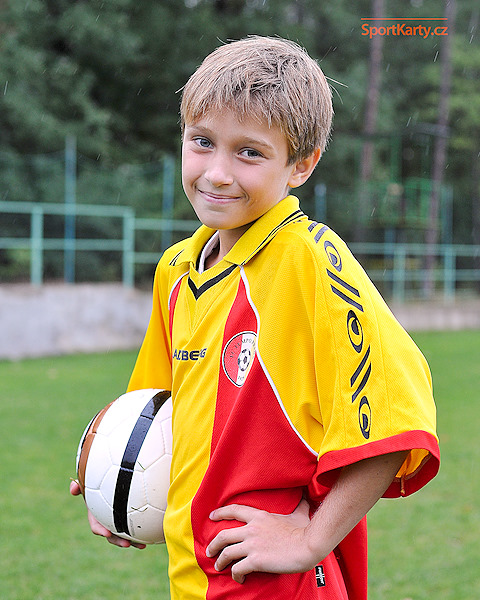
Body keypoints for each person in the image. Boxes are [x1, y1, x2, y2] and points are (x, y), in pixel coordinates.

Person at [71, 36, 439, 599]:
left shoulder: (308, 260)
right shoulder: (177, 270)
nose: (217, 173)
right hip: (195, 574)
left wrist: (311, 538)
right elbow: (154, 416)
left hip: (275, 581)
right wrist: (110, 482)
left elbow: (397, 417)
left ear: (302, 165)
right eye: (202, 142)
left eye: (249, 152)